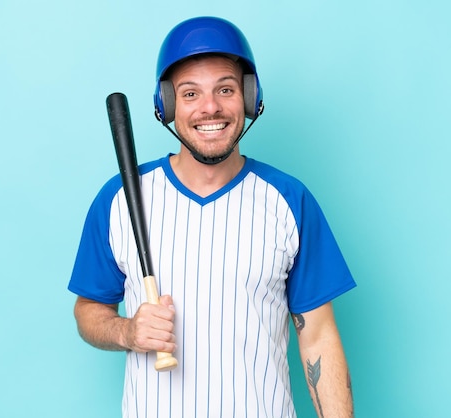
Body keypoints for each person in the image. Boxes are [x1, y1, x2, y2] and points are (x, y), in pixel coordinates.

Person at [69, 16, 356, 418]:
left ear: (250, 97)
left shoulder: (289, 200)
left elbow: (319, 338)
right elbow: (89, 310)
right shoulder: (119, 198)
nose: (210, 107)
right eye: (189, 93)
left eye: (225, 89)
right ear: (166, 105)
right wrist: (128, 331)